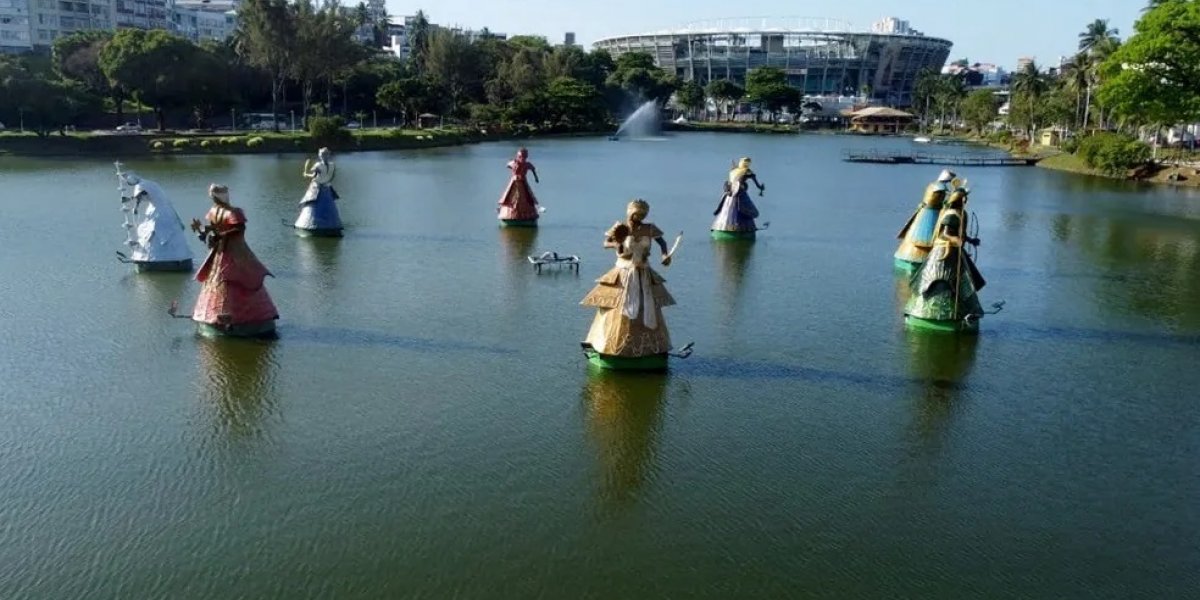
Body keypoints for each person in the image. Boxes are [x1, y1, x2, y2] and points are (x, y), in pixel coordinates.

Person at [581, 199, 676, 365]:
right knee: (620, 309)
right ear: (630, 213)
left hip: (643, 273)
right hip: (624, 273)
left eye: (641, 215)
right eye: (635, 215)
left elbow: (662, 242)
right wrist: (616, 244)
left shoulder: (649, 228)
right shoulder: (620, 227)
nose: (638, 218)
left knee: (647, 307)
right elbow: (606, 242)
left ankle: (651, 349)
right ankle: (611, 346)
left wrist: (665, 256)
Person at [190, 184, 279, 337]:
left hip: (236, 251)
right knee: (219, 280)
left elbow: (239, 228)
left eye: (216, 195)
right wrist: (205, 233)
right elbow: (213, 227)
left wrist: (221, 235)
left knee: (240, 278)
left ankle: (248, 318)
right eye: (213, 195)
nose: (214, 198)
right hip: (220, 251)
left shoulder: (234, 212)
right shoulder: (214, 211)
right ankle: (217, 316)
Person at [904, 185, 986, 331]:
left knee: (965, 280)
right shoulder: (951, 214)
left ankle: (963, 311)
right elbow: (944, 234)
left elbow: (960, 234)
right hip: (944, 254)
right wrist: (954, 240)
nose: (966, 200)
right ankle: (933, 315)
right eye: (964, 198)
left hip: (955, 252)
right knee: (941, 280)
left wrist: (971, 240)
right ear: (959, 200)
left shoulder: (961, 213)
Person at [118, 170, 192, 271]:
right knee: (167, 231)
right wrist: (132, 201)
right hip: (168, 210)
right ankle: (178, 256)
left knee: (157, 230)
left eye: (129, 183)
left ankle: (157, 258)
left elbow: (139, 195)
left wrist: (134, 206)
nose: (130, 185)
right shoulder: (150, 183)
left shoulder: (141, 185)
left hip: (158, 212)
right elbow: (141, 196)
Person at [894, 169, 954, 269]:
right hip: (932, 214)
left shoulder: (932, 184)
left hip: (924, 212)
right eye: (949, 180)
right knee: (928, 236)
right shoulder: (940, 187)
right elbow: (943, 200)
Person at [711, 157, 765, 238]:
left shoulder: (733, 171)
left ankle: (721, 227)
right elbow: (757, 184)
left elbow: (729, 183)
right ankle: (742, 229)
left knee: (727, 210)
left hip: (729, 195)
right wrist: (761, 188)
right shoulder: (747, 171)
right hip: (740, 194)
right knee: (743, 209)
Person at [294, 147, 343, 236]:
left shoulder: (318, 165)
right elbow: (332, 176)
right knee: (330, 210)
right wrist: (326, 180)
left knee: (312, 207)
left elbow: (313, 175)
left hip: (317, 189)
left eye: (321, 154)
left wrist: (305, 174)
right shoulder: (332, 165)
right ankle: (333, 224)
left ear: (320, 155)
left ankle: (310, 224)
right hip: (327, 188)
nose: (321, 156)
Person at [497, 147, 540, 226]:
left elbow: (533, 169)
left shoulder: (527, 164)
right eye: (520, 157)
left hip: (523, 181)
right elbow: (508, 164)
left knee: (524, 196)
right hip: (514, 181)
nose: (522, 159)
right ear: (518, 156)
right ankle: (509, 214)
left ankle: (526, 215)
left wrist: (536, 178)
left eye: (524, 157)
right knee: (512, 196)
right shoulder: (514, 163)